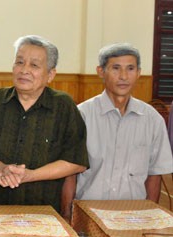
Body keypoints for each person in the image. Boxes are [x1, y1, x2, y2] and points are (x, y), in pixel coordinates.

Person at [0, 35, 89, 219]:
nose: (24, 70)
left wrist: (31, 175)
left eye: (34, 65)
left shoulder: (63, 106)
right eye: (19, 62)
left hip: (44, 213)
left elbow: (75, 161)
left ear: (50, 74)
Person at [67, 43, 173, 205]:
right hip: (88, 210)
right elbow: (70, 174)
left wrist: (149, 212)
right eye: (116, 68)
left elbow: (154, 174)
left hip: (134, 214)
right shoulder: (82, 115)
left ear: (138, 73)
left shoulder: (152, 119)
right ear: (101, 71)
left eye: (130, 69)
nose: (123, 76)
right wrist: (68, 214)